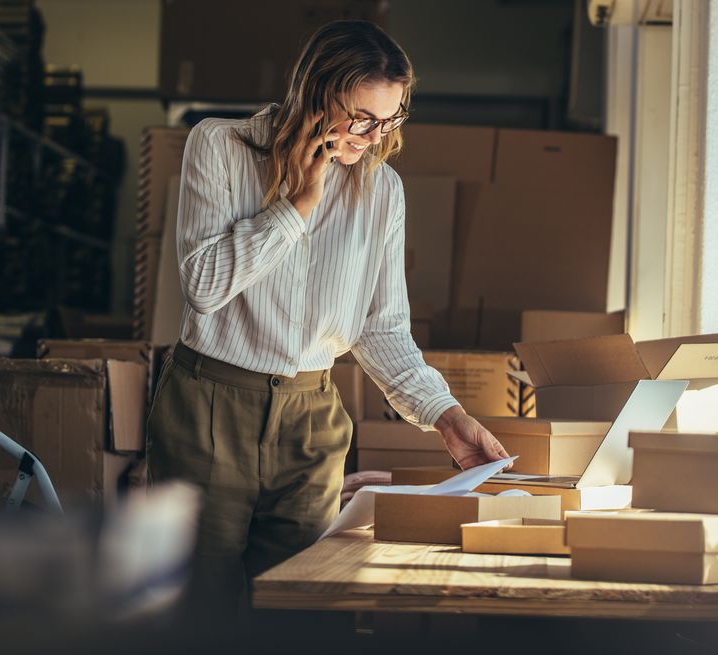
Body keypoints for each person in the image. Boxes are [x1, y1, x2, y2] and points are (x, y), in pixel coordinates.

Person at [146, 20, 509, 616]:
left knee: (300, 610)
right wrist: (297, 207)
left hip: (311, 421)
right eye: (361, 117)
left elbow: (381, 328)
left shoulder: (382, 191)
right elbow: (204, 287)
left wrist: (447, 417)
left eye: (389, 120)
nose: (373, 136)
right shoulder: (219, 145)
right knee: (197, 613)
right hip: (208, 407)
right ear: (316, 94)